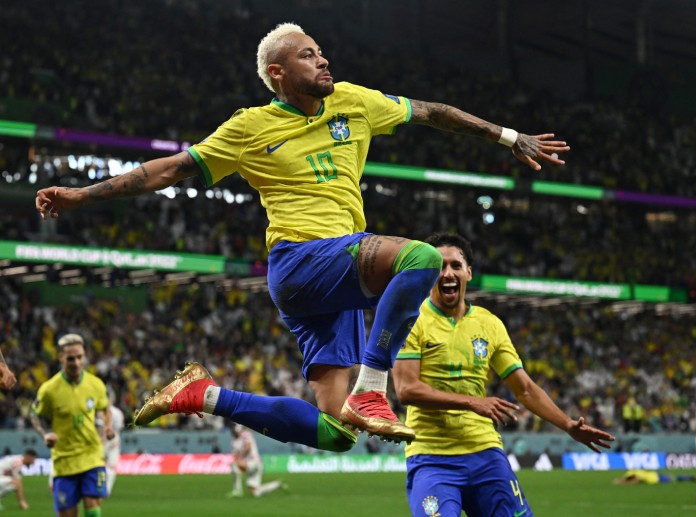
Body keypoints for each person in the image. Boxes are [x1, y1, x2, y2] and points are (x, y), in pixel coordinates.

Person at [35, 23, 569, 451]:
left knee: (336, 432)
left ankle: (202, 393)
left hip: (338, 279)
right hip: (300, 262)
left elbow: (431, 113)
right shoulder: (249, 127)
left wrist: (508, 136)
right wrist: (83, 195)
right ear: (278, 73)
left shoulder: (354, 102)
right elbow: (168, 170)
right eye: (309, 55)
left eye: (321, 52)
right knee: (423, 260)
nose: (324, 60)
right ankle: (372, 389)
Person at [392, 233, 614, 517]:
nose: (447, 273)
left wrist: (568, 424)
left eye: (455, 266)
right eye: (439, 266)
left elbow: (525, 390)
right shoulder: (413, 318)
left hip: (485, 453)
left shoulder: (489, 324)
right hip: (432, 459)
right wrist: (472, 402)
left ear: (468, 272)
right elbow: (407, 389)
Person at [30, 334, 114, 517]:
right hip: (64, 460)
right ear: (60, 357)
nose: (76, 362)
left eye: (79, 357)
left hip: (92, 455)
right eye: (70, 358)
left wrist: (108, 426)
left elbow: (105, 409)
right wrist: (45, 434)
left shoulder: (95, 384)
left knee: (92, 505)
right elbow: (34, 415)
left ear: (84, 356)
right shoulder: (49, 390)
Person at [227, 424, 285, 498]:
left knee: (234, 465)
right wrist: (238, 459)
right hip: (250, 464)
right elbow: (236, 455)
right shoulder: (234, 442)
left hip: (254, 462)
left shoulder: (246, 435)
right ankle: (277, 484)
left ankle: (237, 491)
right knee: (255, 492)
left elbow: (248, 447)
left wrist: (240, 458)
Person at [99, 396, 125, 496]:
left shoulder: (100, 412)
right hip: (114, 440)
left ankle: (100, 487)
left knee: (100, 465)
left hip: (102, 440)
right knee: (112, 467)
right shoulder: (118, 412)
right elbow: (120, 427)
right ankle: (107, 490)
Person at [613, 469, 696, 485]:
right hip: (654, 474)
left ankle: (689, 478)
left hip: (655, 479)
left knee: (675, 479)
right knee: (674, 477)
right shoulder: (635, 471)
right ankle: (689, 477)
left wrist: (622, 482)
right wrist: (620, 481)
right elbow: (626, 478)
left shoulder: (635, 475)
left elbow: (635, 481)